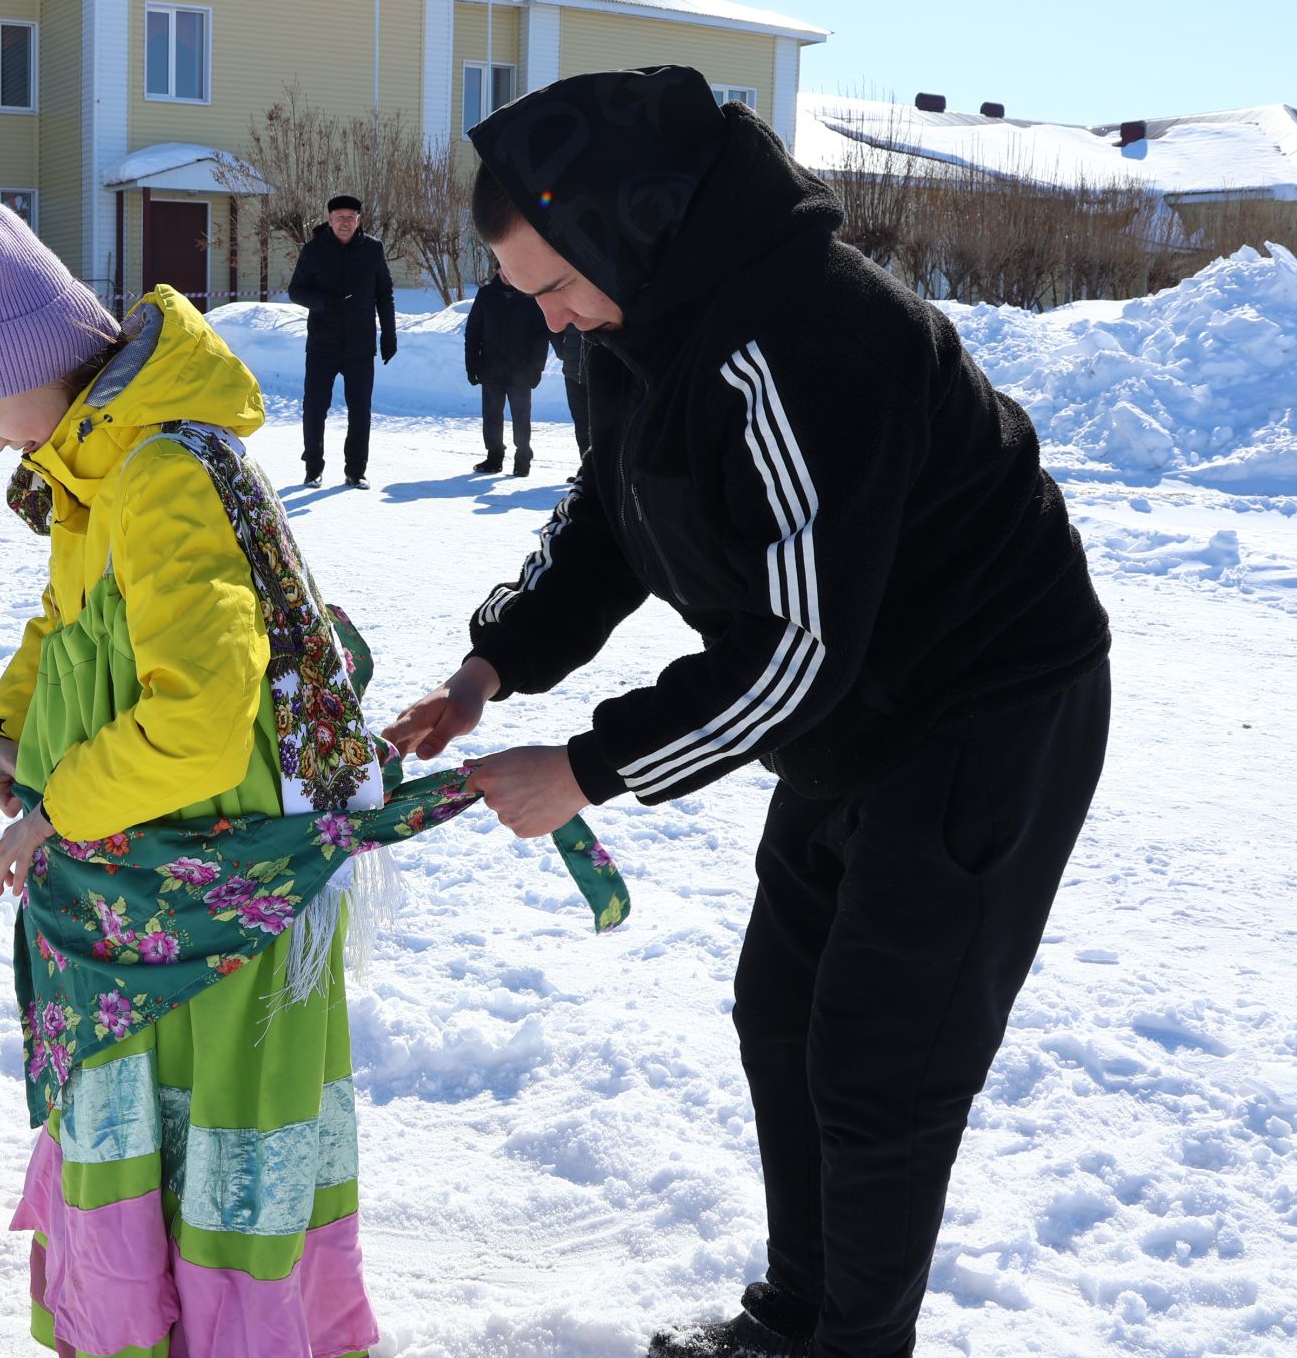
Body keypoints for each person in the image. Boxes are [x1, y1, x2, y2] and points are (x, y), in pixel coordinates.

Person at [383, 67, 1113, 1358]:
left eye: (555, 287)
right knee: (781, 1010)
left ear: (627, 226)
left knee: (883, 1064)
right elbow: (615, 512)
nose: (550, 324)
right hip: (855, 699)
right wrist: (490, 668)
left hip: (984, 700)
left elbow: (795, 650)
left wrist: (587, 769)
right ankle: (797, 1316)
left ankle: (851, 1344)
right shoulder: (631, 331)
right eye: (527, 298)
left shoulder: (803, 337)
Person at [0, 202, 380, 1358]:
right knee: (151, 1115)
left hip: (206, 889)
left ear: (41, 359)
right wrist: (10, 729)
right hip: (140, 884)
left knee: (215, 1121)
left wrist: (59, 809)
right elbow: (67, 620)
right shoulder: (95, 466)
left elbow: (204, 721)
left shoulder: (158, 475)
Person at [287, 194, 396, 489]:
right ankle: (313, 468)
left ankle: (356, 470)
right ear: (329, 220)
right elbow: (295, 290)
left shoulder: (373, 249)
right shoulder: (313, 250)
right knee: (314, 408)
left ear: (359, 220)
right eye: (339, 217)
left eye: (351, 217)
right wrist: (325, 303)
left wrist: (389, 333)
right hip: (323, 343)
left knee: (360, 410)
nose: (345, 222)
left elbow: (384, 294)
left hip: (360, 345)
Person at [464, 266, 551, 477]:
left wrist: (536, 368)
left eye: (511, 270)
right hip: (491, 367)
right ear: (497, 270)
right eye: (503, 270)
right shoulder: (486, 295)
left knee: (521, 416)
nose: (507, 274)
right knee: (492, 415)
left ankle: (523, 458)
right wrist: (472, 364)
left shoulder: (530, 296)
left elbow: (541, 336)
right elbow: (473, 330)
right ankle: (494, 457)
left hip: (520, 370)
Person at [549, 323, 591, 479]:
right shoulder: (568, 301)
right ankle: (586, 470)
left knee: (600, 425)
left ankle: (601, 470)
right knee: (581, 424)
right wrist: (563, 352)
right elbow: (554, 330)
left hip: (599, 375)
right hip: (573, 372)